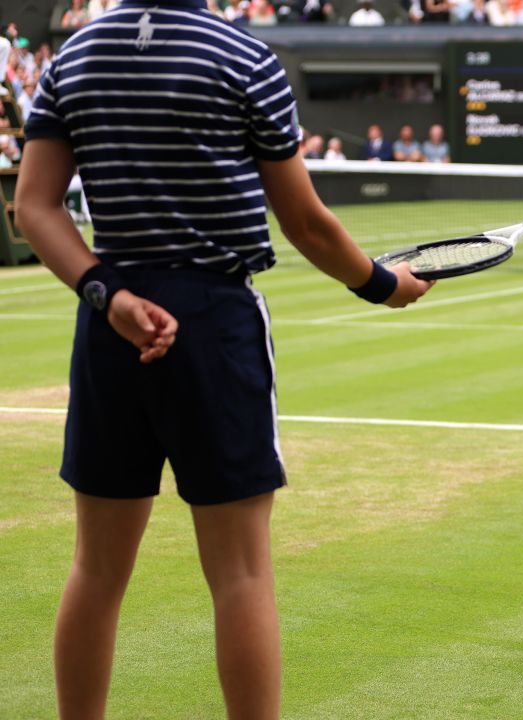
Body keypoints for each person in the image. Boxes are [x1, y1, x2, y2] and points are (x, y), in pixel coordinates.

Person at [13, 2, 432, 717]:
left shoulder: (73, 57)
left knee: (95, 568)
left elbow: (33, 208)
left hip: (110, 324)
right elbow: (303, 221)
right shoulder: (244, 57)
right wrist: (381, 285)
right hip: (213, 325)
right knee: (240, 574)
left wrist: (106, 295)